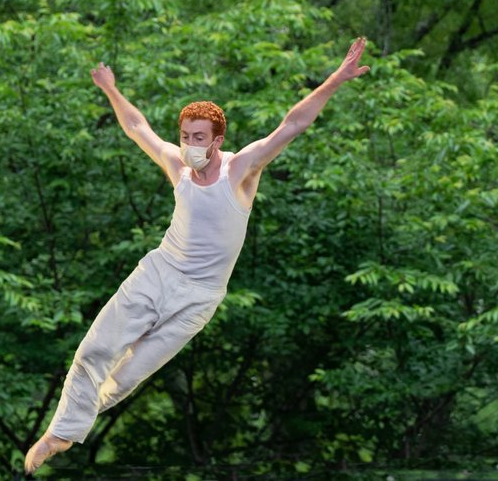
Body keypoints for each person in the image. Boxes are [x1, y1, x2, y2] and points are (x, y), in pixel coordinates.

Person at [24, 38, 371, 474]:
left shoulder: (241, 170)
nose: (188, 144)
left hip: (201, 296)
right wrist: (111, 90)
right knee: (95, 349)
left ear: (217, 140)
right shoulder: (177, 166)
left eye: (198, 138)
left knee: (127, 376)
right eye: (185, 136)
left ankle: (71, 430)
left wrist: (336, 79)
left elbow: (292, 124)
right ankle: (58, 434)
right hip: (159, 272)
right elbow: (137, 128)